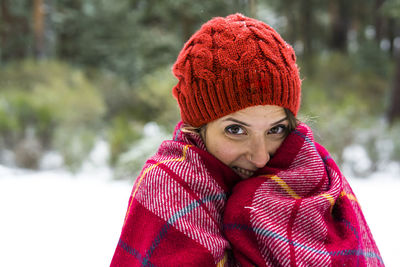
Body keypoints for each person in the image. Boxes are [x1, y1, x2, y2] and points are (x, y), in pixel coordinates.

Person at [111, 13, 383, 266]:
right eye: (236, 130)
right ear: (198, 128)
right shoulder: (169, 188)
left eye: (275, 130)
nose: (261, 156)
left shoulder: (315, 177)